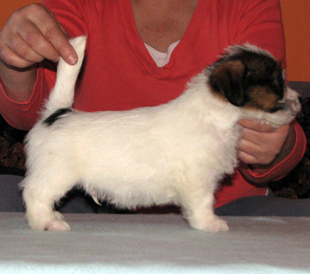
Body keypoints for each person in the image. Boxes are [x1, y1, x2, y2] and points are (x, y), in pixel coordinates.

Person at [0, 0, 308, 215]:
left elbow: (275, 111)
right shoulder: (82, 2)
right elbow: (35, 116)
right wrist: (15, 62)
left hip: (228, 205)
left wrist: (278, 145)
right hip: (92, 200)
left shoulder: (246, 4)